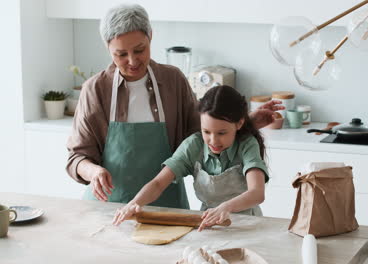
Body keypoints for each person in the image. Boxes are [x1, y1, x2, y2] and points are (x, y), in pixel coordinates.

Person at [66, 4, 283, 209]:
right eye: (121, 54)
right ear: (108, 47)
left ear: (150, 36)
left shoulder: (173, 80)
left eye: (140, 50)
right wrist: (93, 171)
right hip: (109, 206)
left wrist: (246, 123)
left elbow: (201, 138)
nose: (132, 61)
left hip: (167, 205)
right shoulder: (95, 89)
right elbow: (76, 158)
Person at [113, 86, 269, 231]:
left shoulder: (247, 145)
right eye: (206, 131)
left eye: (222, 133)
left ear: (239, 123)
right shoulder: (193, 145)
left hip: (246, 225)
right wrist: (134, 204)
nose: (213, 141)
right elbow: (159, 183)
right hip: (207, 224)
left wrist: (225, 207)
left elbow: (257, 193)